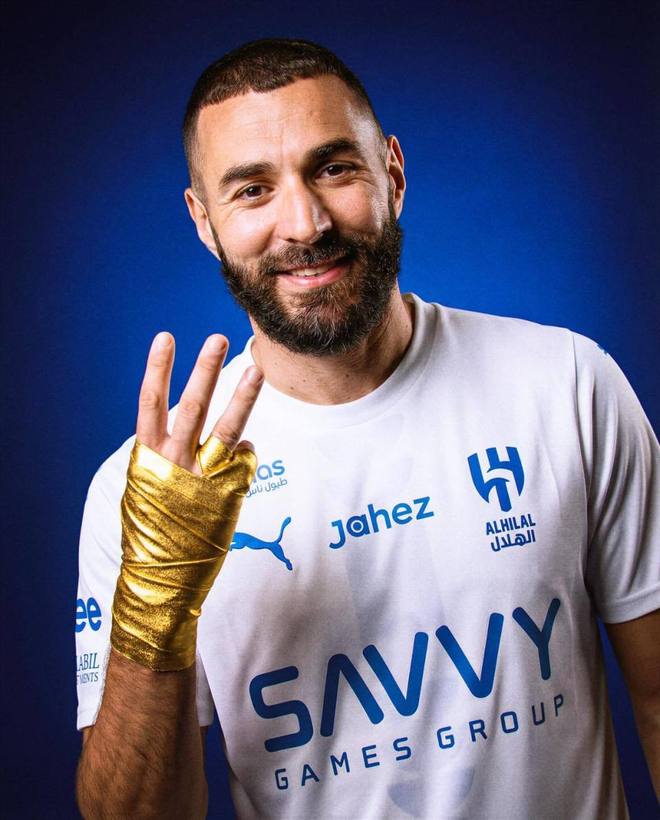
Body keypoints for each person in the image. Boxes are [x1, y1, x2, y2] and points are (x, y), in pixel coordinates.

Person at [75, 38, 659, 819]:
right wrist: (156, 598)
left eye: (333, 168)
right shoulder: (143, 492)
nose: (305, 222)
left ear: (393, 173)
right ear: (205, 222)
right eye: (252, 190)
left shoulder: (568, 385)